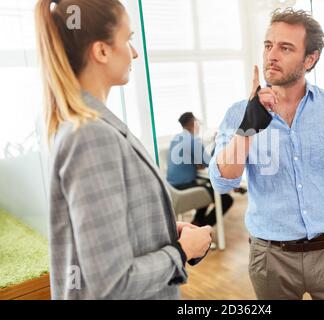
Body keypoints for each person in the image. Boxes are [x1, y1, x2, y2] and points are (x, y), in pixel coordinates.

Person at [35, 0, 211, 299]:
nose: (134, 52)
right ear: (102, 50)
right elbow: (112, 281)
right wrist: (181, 252)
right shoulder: (91, 136)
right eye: (128, 39)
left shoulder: (90, 125)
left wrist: (162, 230)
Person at [209, 8, 324, 300]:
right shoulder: (239, 113)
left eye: (285, 48)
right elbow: (223, 182)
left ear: (310, 59)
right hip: (270, 259)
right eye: (268, 45)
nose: (271, 55)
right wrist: (247, 128)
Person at [167, 112, 233, 227]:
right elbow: (209, 163)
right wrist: (217, 143)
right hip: (184, 187)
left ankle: (197, 222)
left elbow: (197, 162)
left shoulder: (176, 138)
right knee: (226, 199)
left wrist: (198, 162)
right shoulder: (193, 140)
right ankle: (202, 227)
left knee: (208, 187)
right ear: (193, 123)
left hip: (172, 186)